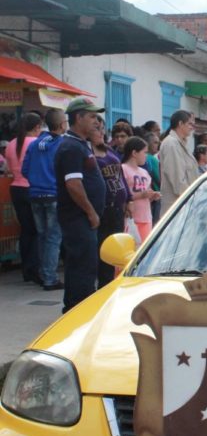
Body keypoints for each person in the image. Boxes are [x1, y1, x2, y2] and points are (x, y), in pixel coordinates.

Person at [55, 97, 106, 313]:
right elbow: (74, 184)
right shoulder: (71, 148)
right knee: (82, 266)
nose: (97, 121)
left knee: (85, 264)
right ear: (79, 118)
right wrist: (91, 212)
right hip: (78, 218)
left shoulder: (79, 145)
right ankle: (77, 310)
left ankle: (79, 308)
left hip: (84, 219)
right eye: (92, 116)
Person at [21, 109, 68, 290]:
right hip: (54, 194)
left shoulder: (34, 144)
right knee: (54, 237)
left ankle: (44, 273)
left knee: (42, 236)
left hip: (35, 195)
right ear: (62, 124)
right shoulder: (61, 144)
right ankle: (50, 277)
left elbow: (25, 170)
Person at [91, 115, 131, 288]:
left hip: (117, 209)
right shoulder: (88, 153)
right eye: (97, 130)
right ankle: (103, 286)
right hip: (102, 209)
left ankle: (109, 284)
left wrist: (128, 199)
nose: (101, 133)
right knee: (102, 251)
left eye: (102, 130)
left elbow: (120, 178)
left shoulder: (110, 152)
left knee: (114, 251)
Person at [6, 112, 43, 285]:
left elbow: (8, 167)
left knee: (26, 230)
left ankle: (26, 268)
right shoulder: (36, 143)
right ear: (36, 127)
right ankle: (34, 269)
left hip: (15, 188)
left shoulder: (11, 144)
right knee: (37, 230)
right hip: (32, 188)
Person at [158, 110, 198, 216]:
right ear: (180, 124)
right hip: (176, 205)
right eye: (189, 123)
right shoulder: (171, 144)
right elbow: (177, 180)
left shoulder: (181, 143)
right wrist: (192, 197)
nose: (192, 127)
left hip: (184, 204)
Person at [122, 137, 160, 243]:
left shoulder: (144, 172)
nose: (146, 156)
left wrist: (152, 196)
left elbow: (147, 193)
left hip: (146, 217)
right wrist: (141, 195)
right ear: (134, 153)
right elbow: (123, 196)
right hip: (131, 219)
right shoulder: (123, 169)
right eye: (144, 152)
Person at [143, 132, 161, 225]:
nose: (157, 145)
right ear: (147, 143)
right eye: (155, 142)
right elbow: (159, 179)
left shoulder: (143, 157)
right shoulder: (151, 159)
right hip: (155, 196)